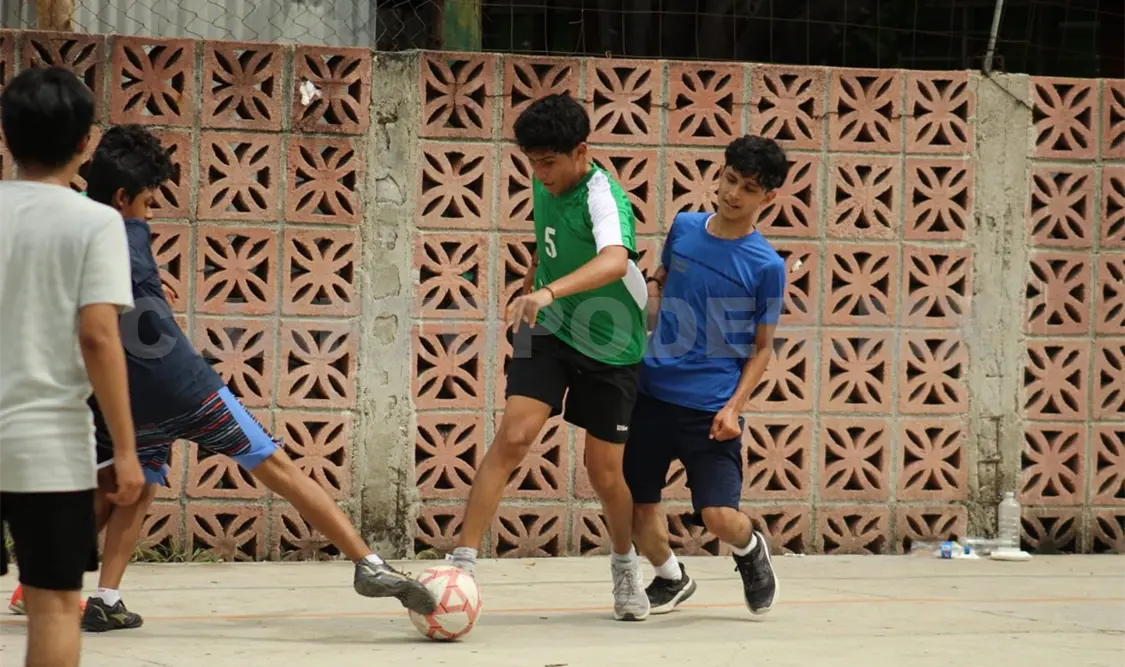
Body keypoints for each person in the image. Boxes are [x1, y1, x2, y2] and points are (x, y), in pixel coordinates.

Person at [6, 124, 437, 632]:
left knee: (134, 487)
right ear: (124, 197)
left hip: (121, 394)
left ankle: (82, 592)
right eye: (147, 202)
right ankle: (368, 564)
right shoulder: (122, 231)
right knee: (276, 465)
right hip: (182, 384)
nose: (149, 212)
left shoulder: (69, 229)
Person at [446, 93, 651, 621]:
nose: (538, 174)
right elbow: (549, 241)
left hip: (610, 343)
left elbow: (613, 261)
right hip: (550, 327)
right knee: (513, 435)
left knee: (604, 474)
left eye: (547, 162)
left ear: (581, 151)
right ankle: (461, 564)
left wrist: (549, 291)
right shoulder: (546, 181)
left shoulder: (604, 196)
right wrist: (531, 281)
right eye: (531, 162)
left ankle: (626, 568)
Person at [0, 67, 146, 667]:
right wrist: (129, 452)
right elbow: (98, 337)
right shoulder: (96, 222)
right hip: (47, 443)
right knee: (55, 605)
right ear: (87, 140)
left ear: (6, 136)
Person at [625, 135, 789, 616]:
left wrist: (734, 407)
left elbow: (761, 349)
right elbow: (664, 273)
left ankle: (750, 548)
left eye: (750, 188)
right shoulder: (685, 226)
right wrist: (653, 286)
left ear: (768, 197)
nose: (734, 194)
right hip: (652, 392)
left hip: (710, 407)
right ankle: (670, 578)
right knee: (638, 508)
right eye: (730, 179)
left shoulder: (766, 266)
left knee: (718, 517)